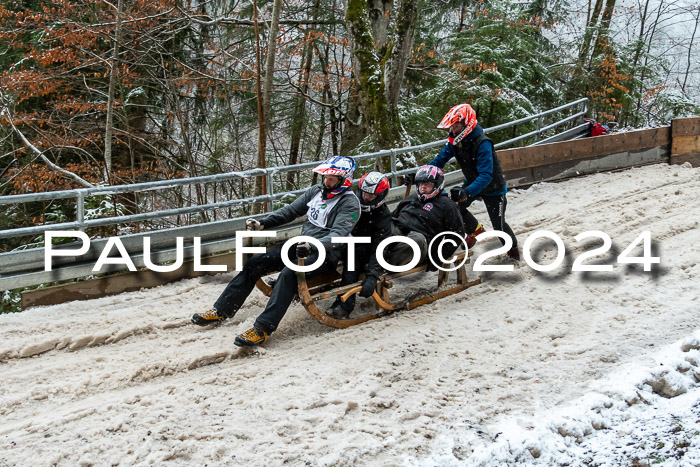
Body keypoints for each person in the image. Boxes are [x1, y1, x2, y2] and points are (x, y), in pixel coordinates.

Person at [191, 155, 361, 347]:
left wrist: (312, 246)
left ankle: (262, 328)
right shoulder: (316, 191)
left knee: (290, 274)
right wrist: (264, 223)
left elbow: (338, 235)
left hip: (326, 253)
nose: (326, 182)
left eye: (331, 179)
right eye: (325, 177)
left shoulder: (349, 202)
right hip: (301, 244)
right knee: (256, 263)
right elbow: (290, 211)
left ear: (343, 180)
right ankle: (222, 309)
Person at [429, 103, 519, 260]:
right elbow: (440, 160)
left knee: (498, 224)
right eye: (452, 127)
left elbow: (486, 175)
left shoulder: (483, 143)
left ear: (467, 124)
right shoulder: (455, 141)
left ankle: (513, 249)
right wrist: (422, 173)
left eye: (456, 126)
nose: (453, 130)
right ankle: (475, 230)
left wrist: (466, 191)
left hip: (493, 187)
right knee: (455, 208)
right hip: (472, 181)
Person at [327, 171, 393, 319]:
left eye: (371, 195)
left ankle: (344, 305)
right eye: (364, 193)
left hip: (365, 248)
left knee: (353, 258)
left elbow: (380, 247)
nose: (366, 197)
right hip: (347, 239)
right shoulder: (351, 203)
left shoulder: (383, 216)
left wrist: (372, 276)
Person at [389, 165, 465, 268]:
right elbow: (392, 217)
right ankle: (369, 258)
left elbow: (457, 234)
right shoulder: (412, 198)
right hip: (401, 234)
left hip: (421, 243)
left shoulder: (446, 205)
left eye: (427, 184)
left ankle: (387, 263)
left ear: (436, 185)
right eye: (420, 184)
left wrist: (439, 257)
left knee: (416, 240)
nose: (423, 187)